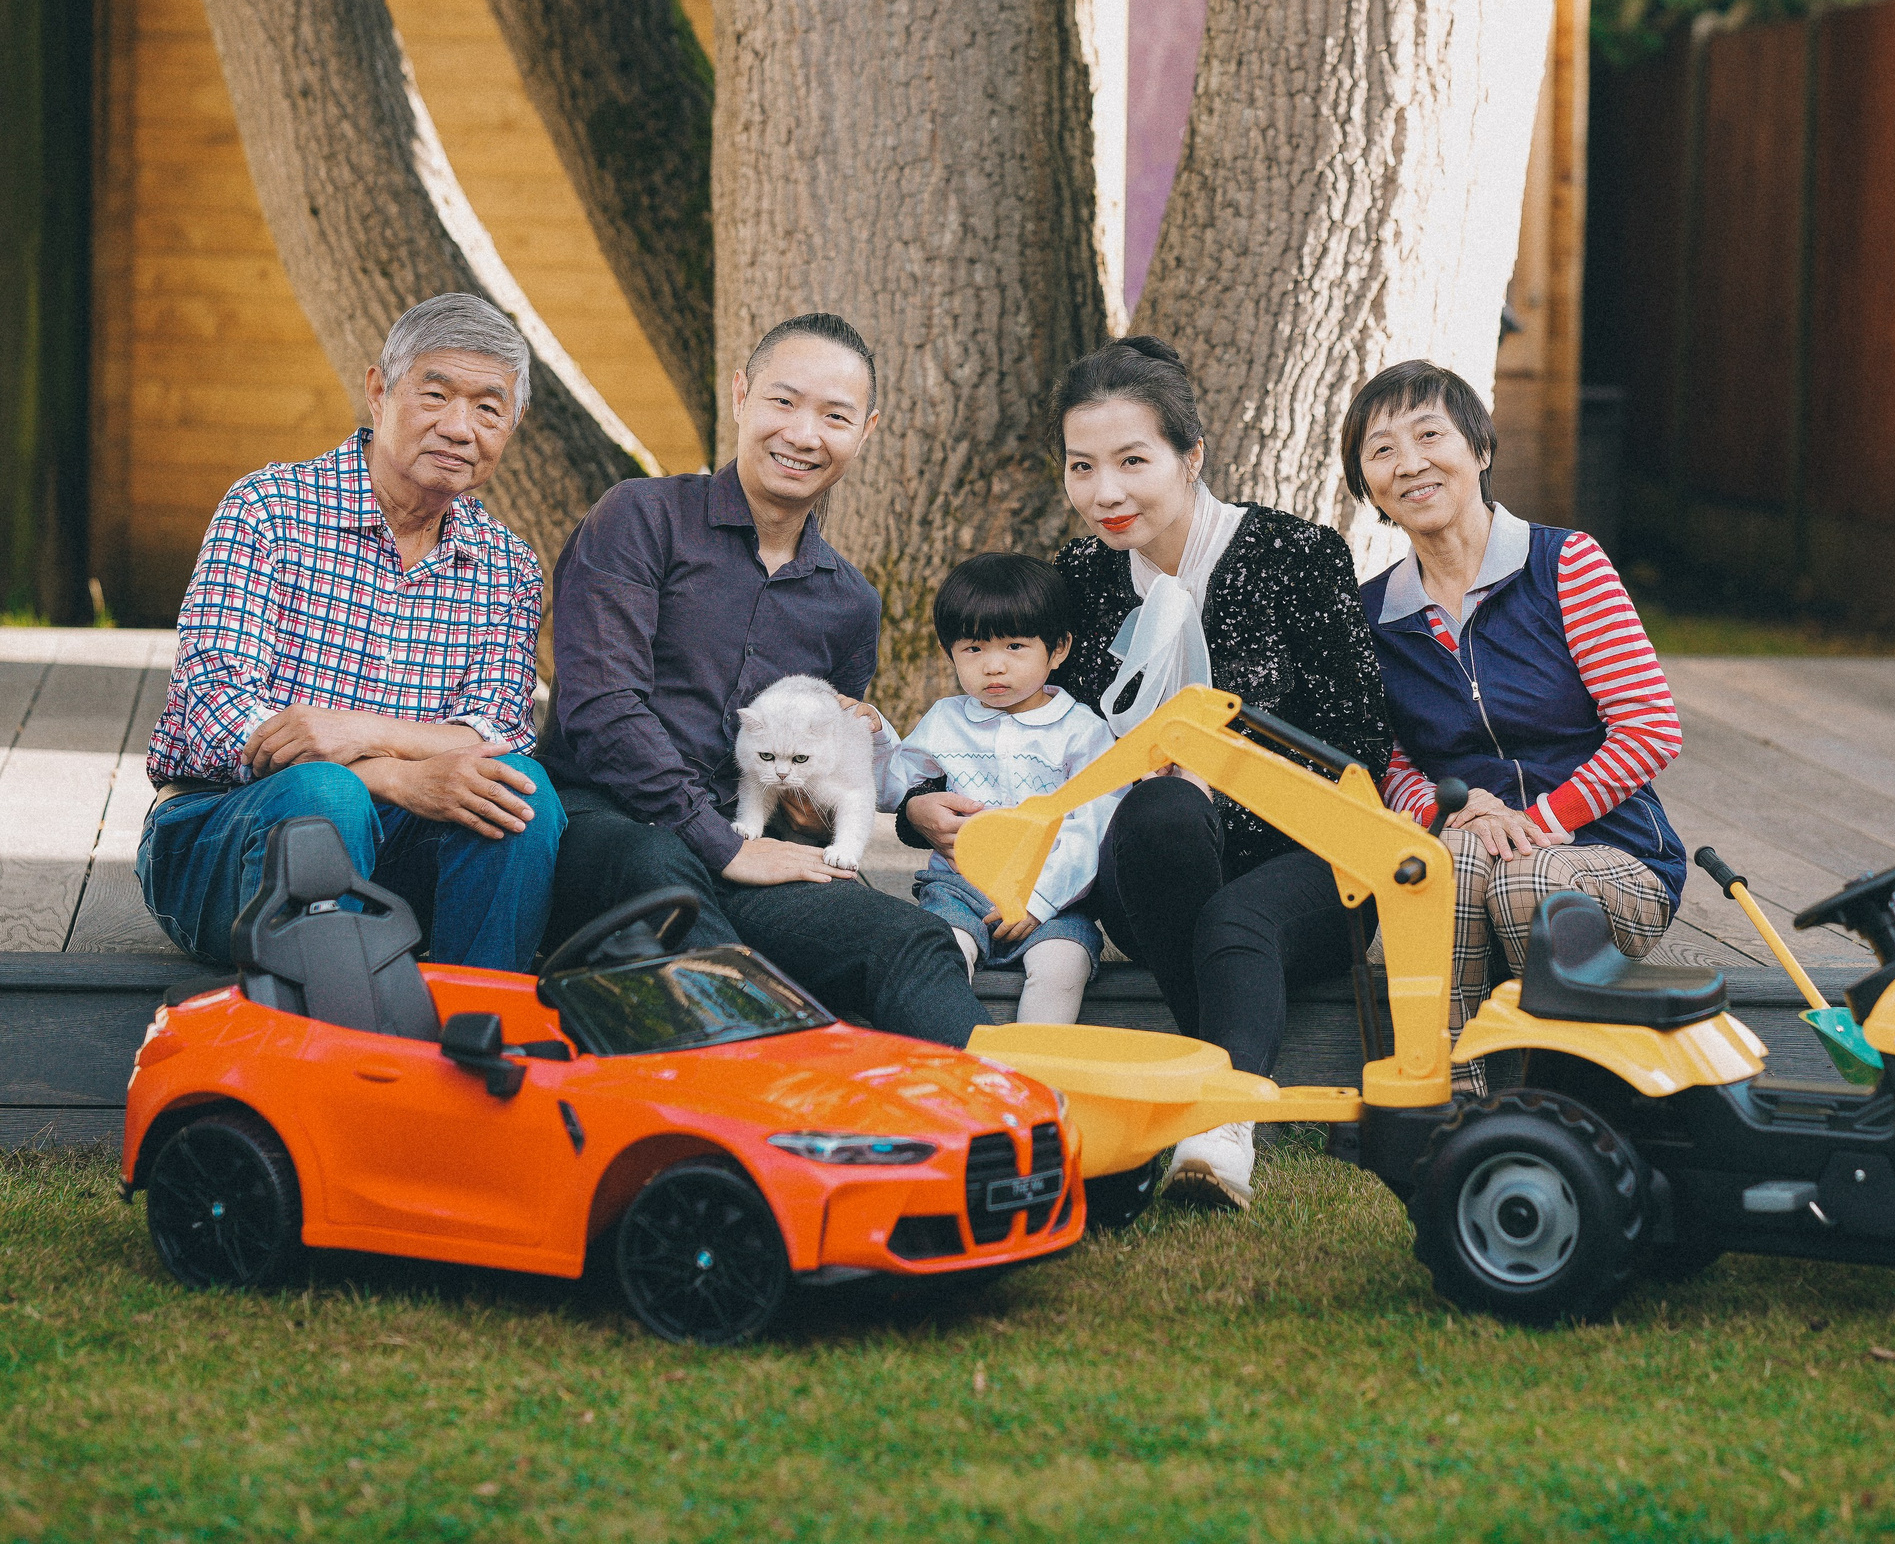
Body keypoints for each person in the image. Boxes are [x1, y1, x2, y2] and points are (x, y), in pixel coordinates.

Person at [903, 336, 1393, 1209]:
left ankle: (1216, 1126)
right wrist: (919, 807)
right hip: (1151, 860)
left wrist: (1222, 775)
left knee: (1231, 901)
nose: (1106, 492)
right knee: (1161, 809)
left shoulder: (1297, 555)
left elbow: (1358, 745)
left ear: (1191, 454)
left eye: (1133, 460)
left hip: (1311, 857)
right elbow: (1028, 730)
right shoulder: (1081, 580)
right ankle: (1219, 1101)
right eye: (1082, 466)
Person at [542, 313, 987, 1047]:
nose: (804, 434)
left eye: (834, 416)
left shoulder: (850, 601)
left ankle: (1033, 1127)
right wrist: (721, 842)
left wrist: (828, 805)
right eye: (784, 401)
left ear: (866, 431)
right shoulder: (641, 518)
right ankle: (795, 1116)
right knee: (663, 867)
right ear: (742, 395)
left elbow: (815, 780)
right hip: (607, 831)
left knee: (909, 939)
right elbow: (601, 708)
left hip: (748, 850)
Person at [138, 293, 563, 974]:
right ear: (378, 391)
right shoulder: (268, 508)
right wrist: (390, 776)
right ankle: (327, 1046)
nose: (460, 427)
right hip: (222, 834)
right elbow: (213, 713)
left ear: (511, 425)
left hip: (397, 848)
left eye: (489, 407)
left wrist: (359, 733)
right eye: (436, 394)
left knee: (519, 792)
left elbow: (497, 729)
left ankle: (477, 1021)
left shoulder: (506, 564)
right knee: (325, 796)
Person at [1342, 360, 1686, 1096]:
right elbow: (1391, 761)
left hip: (1610, 852)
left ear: (1479, 449)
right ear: (1367, 485)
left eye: (1429, 434)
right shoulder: (1374, 615)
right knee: (1451, 861)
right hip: (1474, 855)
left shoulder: (1566, 565)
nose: (1409, 463)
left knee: (1528, 876)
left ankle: (1562, 1100)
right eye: (1381, 450)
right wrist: (1450, 807)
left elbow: (1649, 728)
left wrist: (1538, 820)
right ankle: (1447, 1093)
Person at [879, 553, 1119, 1025]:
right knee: (942, 952)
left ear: (1058, 649)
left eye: (1014, 647)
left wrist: (1041, 898)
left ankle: (1036, 1073)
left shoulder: (1081, 732)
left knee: (1061, 966)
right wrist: (874, 739)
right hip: (959, 885)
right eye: (973, 649)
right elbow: (893, 787)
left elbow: (1096, 819)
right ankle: (952, 1061)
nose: (993, 667)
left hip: (1053, 894)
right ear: (951, 653)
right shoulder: (947, 720)